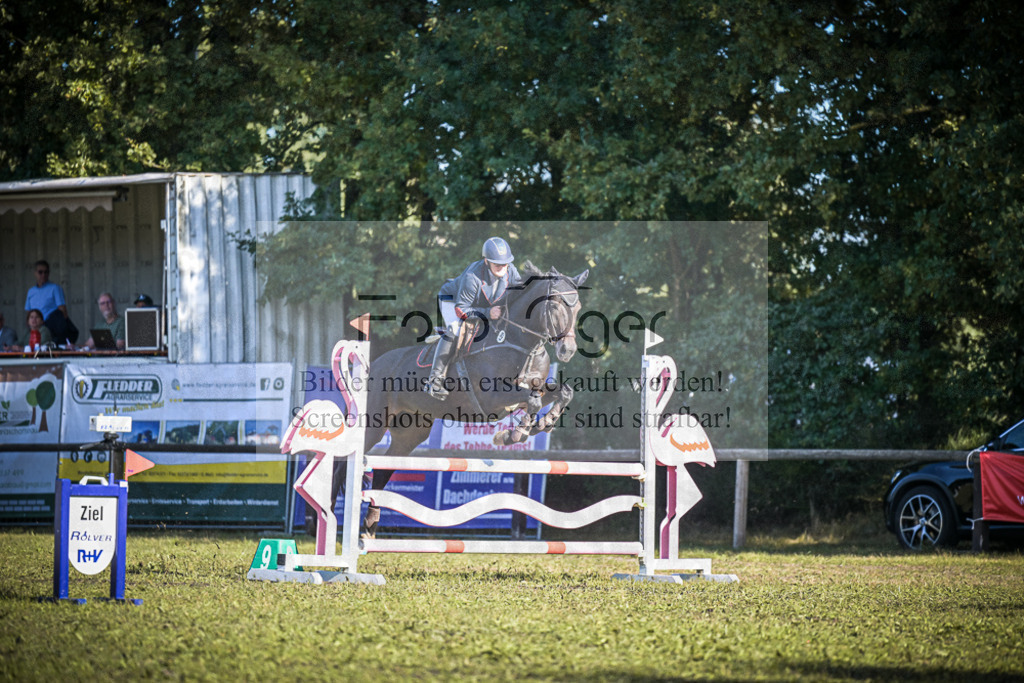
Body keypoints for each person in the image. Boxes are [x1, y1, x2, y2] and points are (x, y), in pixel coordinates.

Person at [426, 236, 522, 399]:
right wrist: (487, 313)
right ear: (486, 261)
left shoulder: (511, 270)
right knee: (455, 329)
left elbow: (519, 295)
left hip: (481, 306)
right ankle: (434, 381)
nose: (501, 267)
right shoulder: (473, 276)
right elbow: (461, 310)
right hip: (452, 300)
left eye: (504, 263)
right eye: (496, 263)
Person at [24, 260, 74, 344]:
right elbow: (28, 312)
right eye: (40, 272)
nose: (43, 275)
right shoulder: (31, 291)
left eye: (46, 272)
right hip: (36, 327)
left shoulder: (55, 288)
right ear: (35, 273)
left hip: (51, 328)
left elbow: (62, 311)